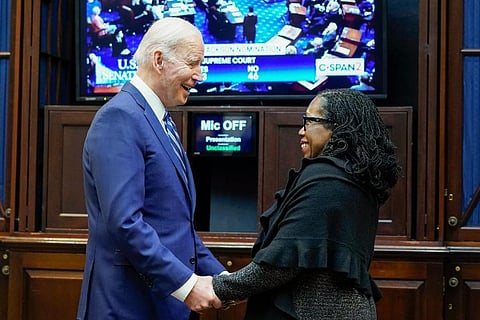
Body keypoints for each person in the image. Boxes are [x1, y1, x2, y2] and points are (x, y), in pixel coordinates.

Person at [77, 17, 225, 320]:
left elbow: (174, 226)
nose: (199, 75)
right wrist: (186, 285)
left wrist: (225, 281)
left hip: (159, 306)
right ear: (159, 60)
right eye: (193, 63)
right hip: (128, 307)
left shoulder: (160, 120)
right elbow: (125, 224)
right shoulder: (120, 117)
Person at [212, 88, 401, 319]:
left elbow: (283, 262)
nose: (301, 131)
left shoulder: (326, 178)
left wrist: (219, 288)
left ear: (339, 126)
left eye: (310, 121)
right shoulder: (355, 178)